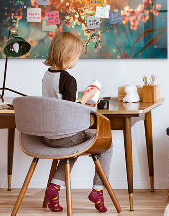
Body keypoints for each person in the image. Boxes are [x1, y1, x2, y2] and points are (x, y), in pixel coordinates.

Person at [42, 32, 112, 213]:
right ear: (69, 55)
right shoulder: (68, 79)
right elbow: (70, 111)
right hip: (65, 136)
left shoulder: (47, 75)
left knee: (72, 147)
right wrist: (86, 98)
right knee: (107, 144)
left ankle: (54, 188)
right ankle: (98, 190)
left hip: (48, 136)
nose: (77, 59)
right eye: (77, 55)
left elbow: (59, 104)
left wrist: (81, 100)